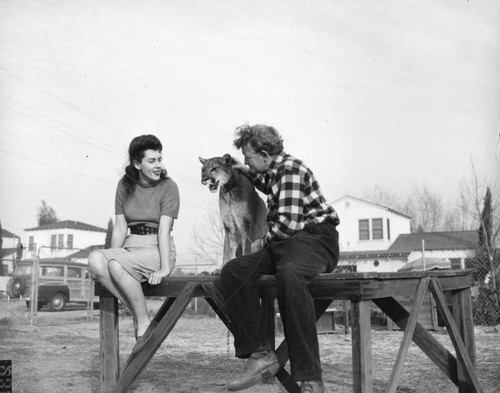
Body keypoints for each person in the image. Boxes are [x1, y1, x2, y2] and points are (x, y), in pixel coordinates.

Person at [220, 124, 340, 393]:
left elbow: (287, 224)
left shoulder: (291, 169)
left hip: (315, 240)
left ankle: (311, 377)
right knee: (234, 271)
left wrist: (259, 242)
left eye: (249, 157)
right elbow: (265, 181)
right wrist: (244, 171)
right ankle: (260, 354)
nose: (248, 161)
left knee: (290, 275)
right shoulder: (274, 170)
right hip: (286, 243)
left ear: (264, 154)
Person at [89, 134, 180, 355]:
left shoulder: (169, 187)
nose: (158, 165)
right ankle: (141, 317)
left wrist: (165, 267)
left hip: (158, 249)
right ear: (137, 164)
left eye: (160, 159)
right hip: (131, 246)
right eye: (152, 161)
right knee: (97, 261)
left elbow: (163, 230)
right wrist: (114, 254)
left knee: (114, 264)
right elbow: (120, 227)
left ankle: (142, 324)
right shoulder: (124, 185)